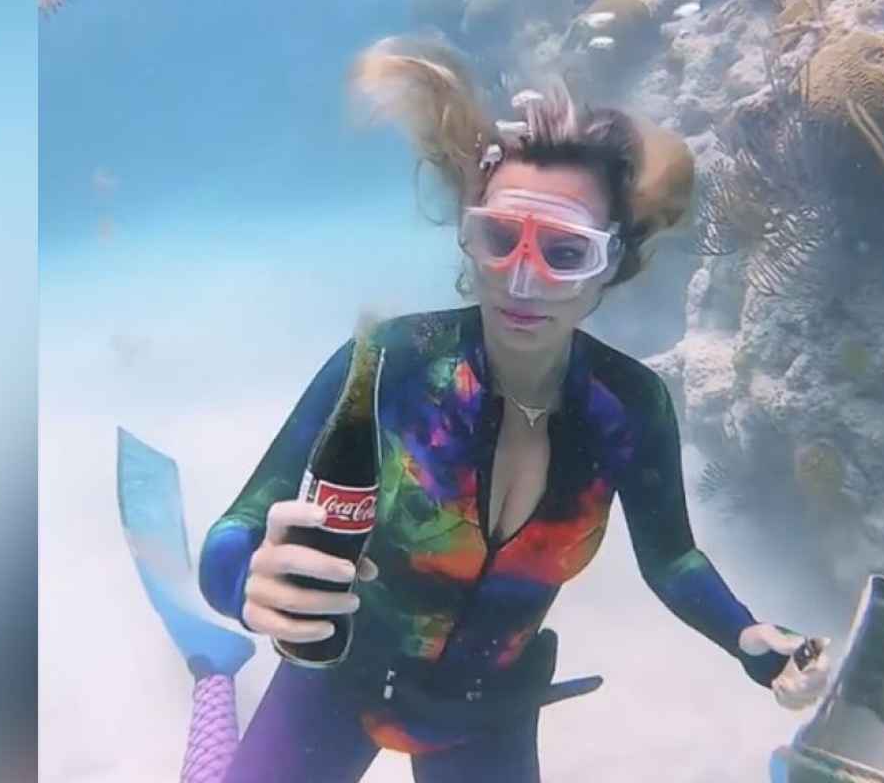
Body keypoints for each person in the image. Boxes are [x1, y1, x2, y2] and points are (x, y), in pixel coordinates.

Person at [198, 38, 832, 783]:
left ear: (611, 267)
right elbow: (236, 532)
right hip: (332, 685)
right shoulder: (389, 364)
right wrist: (247, 583)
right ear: (470, 240)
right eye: (500, 239)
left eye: (564, 253)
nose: (523, 280)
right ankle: (214, 686)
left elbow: (672, 557)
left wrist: (746, 635)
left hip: (485, 714)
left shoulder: (628, 408)